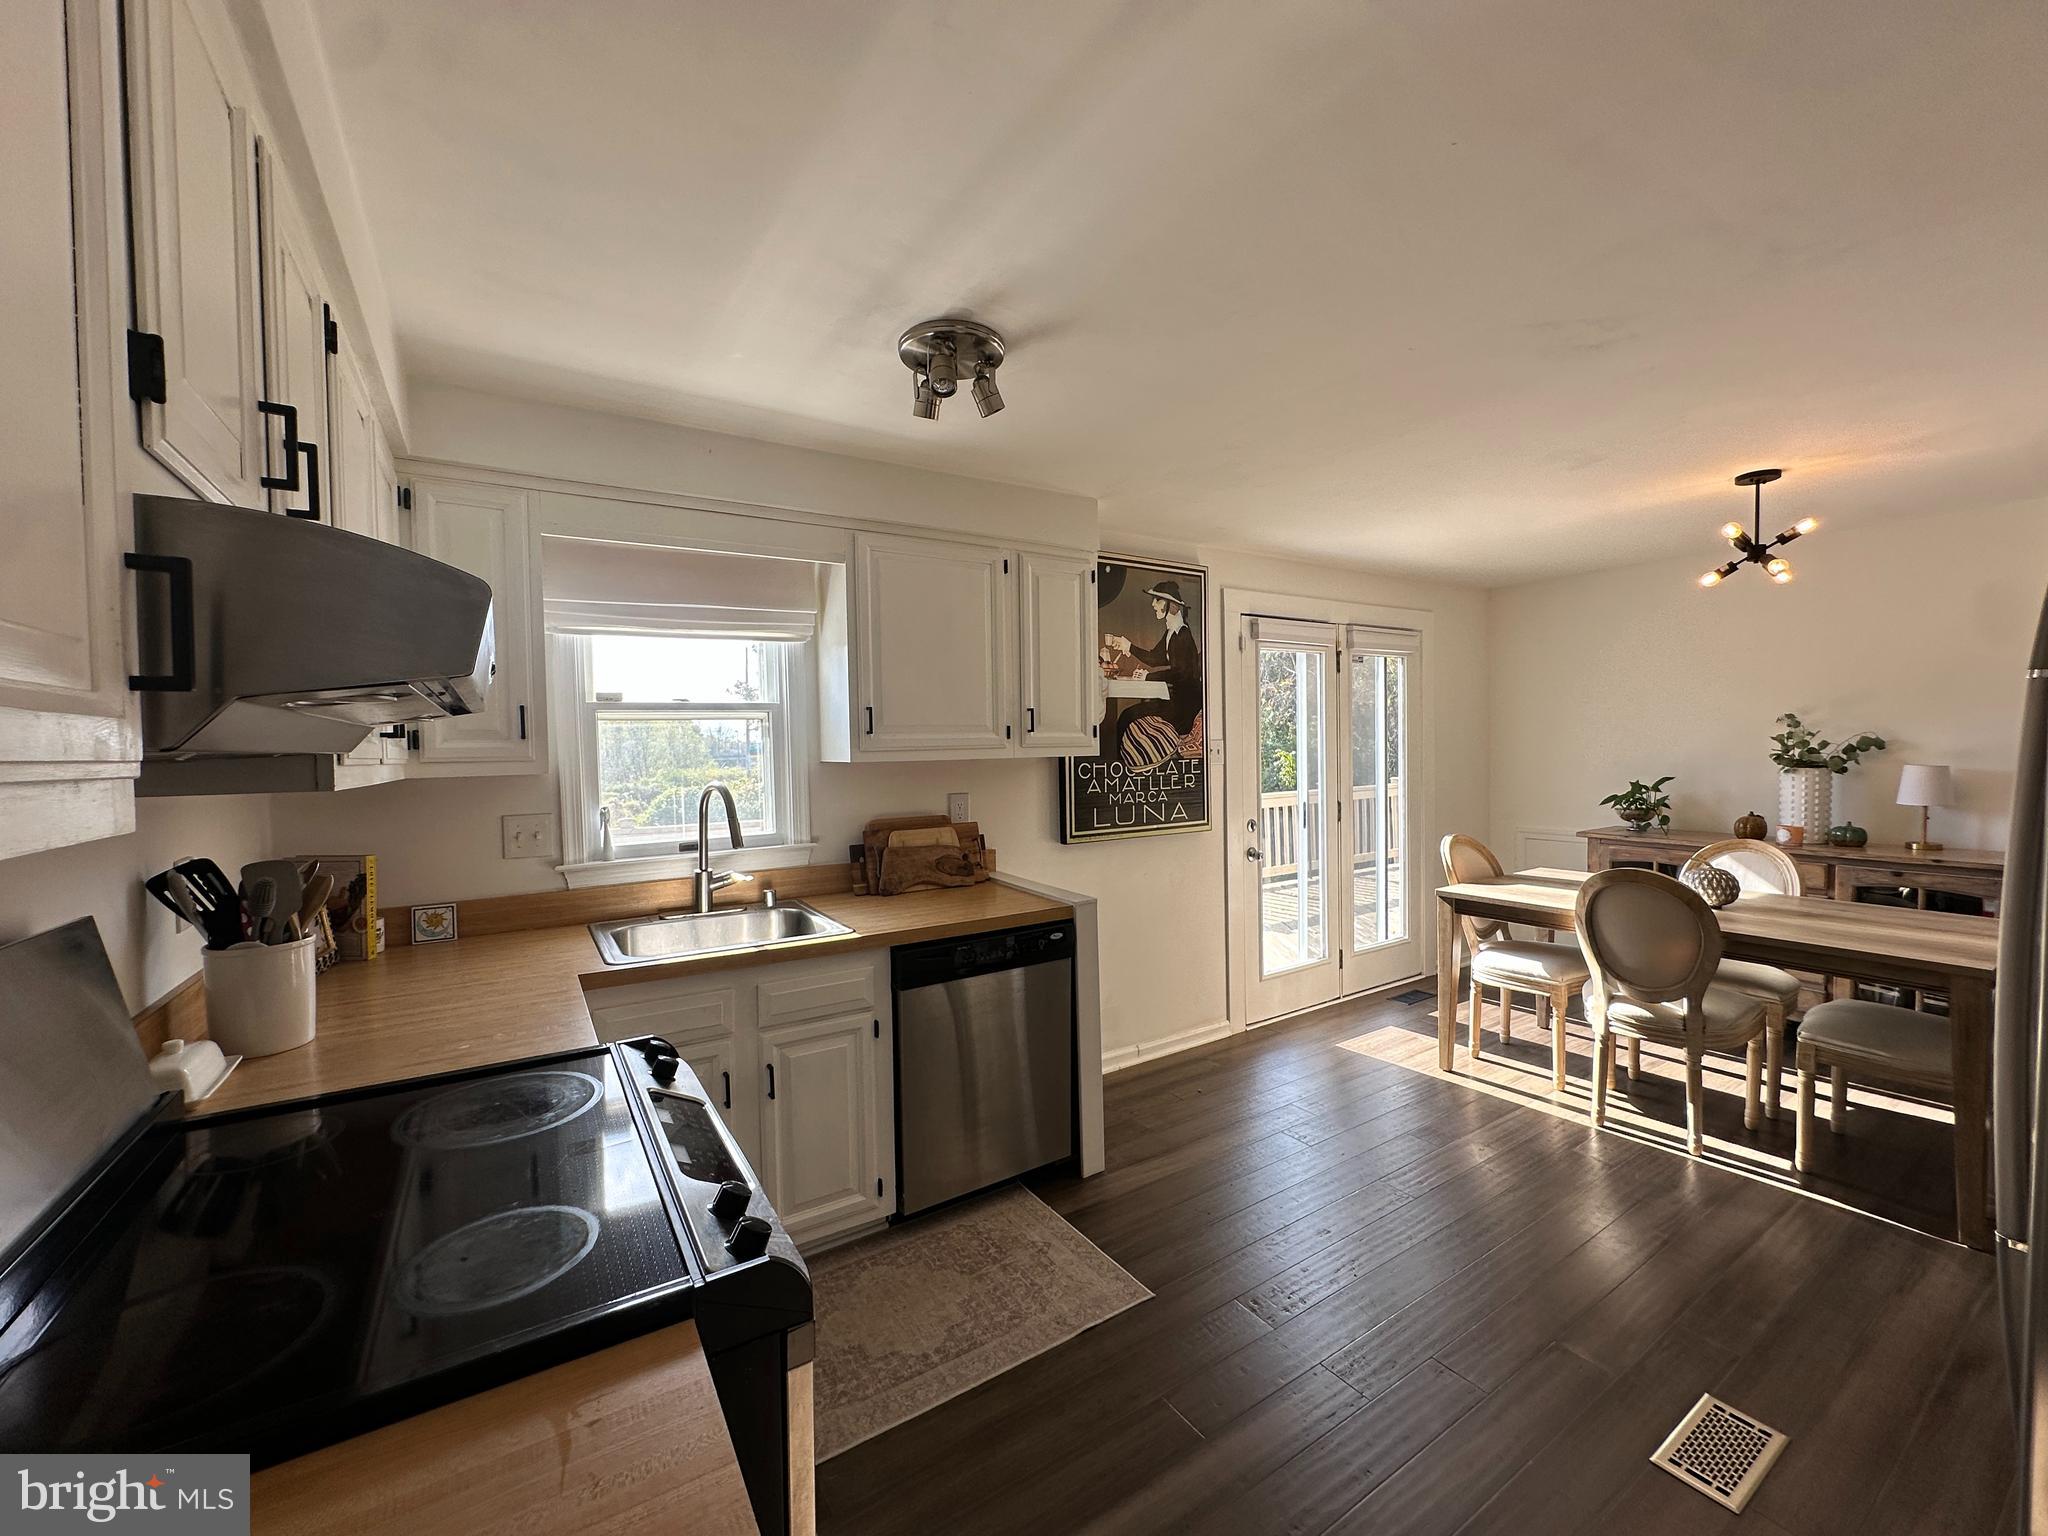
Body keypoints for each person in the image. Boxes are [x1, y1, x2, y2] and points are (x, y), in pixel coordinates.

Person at [1102, 580, 1202, 765]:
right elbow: (1154, 658)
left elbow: (1181, 673)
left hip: (1183, 709)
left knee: (1127, 717)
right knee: (1126, 716)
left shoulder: (1182, 635)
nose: (1153, 604)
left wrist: (1148, 676)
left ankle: (1120, 768)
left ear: (1171, 606)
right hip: (1175, 702)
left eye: (1157, 600)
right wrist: (1128, 646)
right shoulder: (1172, 632)